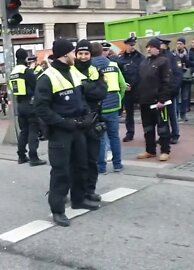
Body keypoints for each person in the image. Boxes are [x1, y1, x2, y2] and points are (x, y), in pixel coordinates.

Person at [35, 38, 99, 227]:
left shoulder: (74, 71)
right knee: (60, 171)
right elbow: (41, 109)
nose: (75, 55)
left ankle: (79, 200)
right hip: (60, 132)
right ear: (65, 55)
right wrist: (63, 122)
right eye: (72, 52)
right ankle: (57, 210)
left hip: (78, 128)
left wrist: (87, 114)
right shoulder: (47, 77)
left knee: (81, 166)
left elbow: (82, 97)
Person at [73, 39, 107, 201]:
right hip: (77, 122)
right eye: (81, 53)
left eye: (86, 53)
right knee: (77, 161)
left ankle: (90, 191)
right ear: (76, 54)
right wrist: (89, 89)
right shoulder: (70, 71)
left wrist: (85, 88)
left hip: (94, 120)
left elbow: (102, 93)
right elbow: (74, 96)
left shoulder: (95, 70)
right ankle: (77, 191)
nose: (84, 56)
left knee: (92, 159)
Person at [92, 42, 127, 173]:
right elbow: (123, 86)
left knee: (100, 138)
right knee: (114, 136)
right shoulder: (113, 65)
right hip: (113, 106)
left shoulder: (89, 67)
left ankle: (102, 167)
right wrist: (119, 99)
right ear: (102, 51)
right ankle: (117, 165)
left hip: (98, 108)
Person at [136, 38, 173, 161]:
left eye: (151, 47)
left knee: (162, 128)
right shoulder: (144, 62)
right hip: (145, 101)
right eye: (147, 47)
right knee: (148, 128)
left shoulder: (163, 61)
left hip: (158, 102)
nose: (148, 49)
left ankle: (165, 150)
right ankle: (150, 150)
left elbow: (167, 82)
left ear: (157, 48)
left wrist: (162, 100)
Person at [10, 48, 46, 166]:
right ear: (26, 58)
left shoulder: (13, 72)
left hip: (20, 104)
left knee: (24, 131)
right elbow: (36, 86)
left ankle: (21, 156)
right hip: (30, 103)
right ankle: (33, 157)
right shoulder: (27, 71)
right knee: (33, 131)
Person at [116, 36, 145, 142]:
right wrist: (123, 85)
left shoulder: (141, 58)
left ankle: (147, 132)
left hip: (140, 89)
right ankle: (130, 133)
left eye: (134, 45)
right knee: (129, 113)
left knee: (145, 112)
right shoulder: (121, 59)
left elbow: (144, 73)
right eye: (131, 45)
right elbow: (119, 75)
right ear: (126, 45)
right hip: (128, 90)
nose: (132, 47)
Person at [158, 37, 183, 144]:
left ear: (165, 45)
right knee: (162, 116)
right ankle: (164, 135)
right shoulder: (157, 57)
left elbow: (178, 75)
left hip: (171, 91)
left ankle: (175, 134)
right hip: (160, 92)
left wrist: (173, 89)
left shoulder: (172, 57)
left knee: (172, 114)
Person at [175, 37, 191, 121]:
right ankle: (176, 114)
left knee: (185, 97)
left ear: (184, 45)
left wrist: (186, 60)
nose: (178, 45)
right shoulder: (174, 54)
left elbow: (192, 63)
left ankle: (183, 114)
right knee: (176, 97)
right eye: (177, 43)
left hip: (186, 77)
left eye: (180, 44)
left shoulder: (188, 53)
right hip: (177, 78)